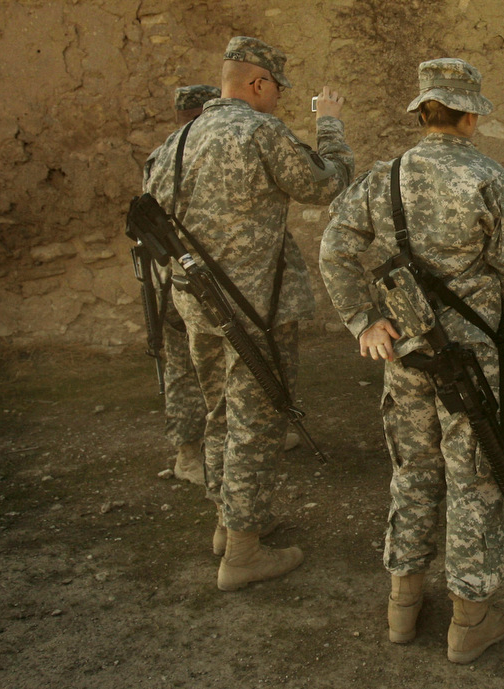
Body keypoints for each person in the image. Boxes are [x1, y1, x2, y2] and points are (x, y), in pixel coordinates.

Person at [318, 58, 504, 664]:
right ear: (468, 114)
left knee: (413, 469)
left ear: (423, 111)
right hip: (473, 357)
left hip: (407, 350)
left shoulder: (385, 178)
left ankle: (403, 606)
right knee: (474, 473)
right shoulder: (492, 179)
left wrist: (364, 321)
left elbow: (335, 247)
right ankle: (470, 618)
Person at [144, 36, 353, 590]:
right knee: (258, 420)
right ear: (258, 83)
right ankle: (242, 554)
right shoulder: (258, 131)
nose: (279, 100)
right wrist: (328, 124)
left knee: (220, 413)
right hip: (254, 307)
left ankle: (227, 521)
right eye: (278, 89)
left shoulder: (175, 142)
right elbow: (326, 182)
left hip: (197, 304)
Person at [143, 84, 222, 485]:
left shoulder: (167, 153)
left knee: (218, 362)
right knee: (182, 365)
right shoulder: (177, 155)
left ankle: (233, 439)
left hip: (203, 277)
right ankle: (188, 452)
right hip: (178, 279)